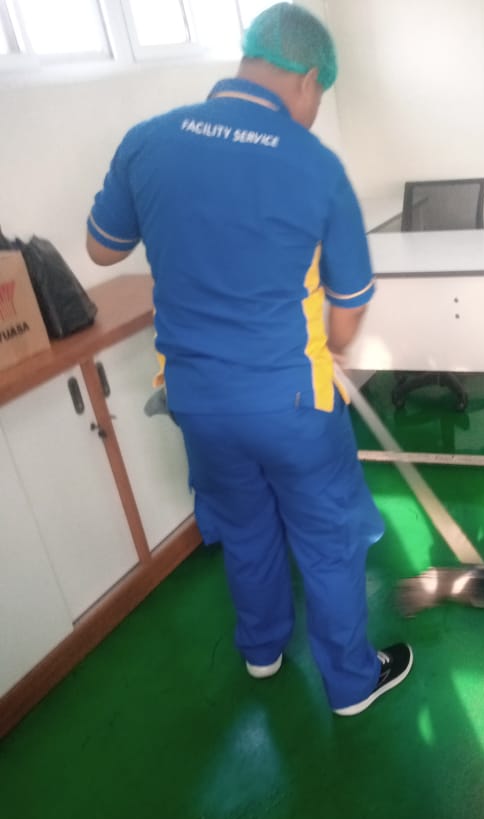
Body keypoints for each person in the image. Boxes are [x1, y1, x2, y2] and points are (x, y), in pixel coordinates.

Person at [86, 3, 412, 716]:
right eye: (320, 96)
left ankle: (262, 651)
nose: (314, 112)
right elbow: (348, 312)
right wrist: (334, 346)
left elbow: (101, 249)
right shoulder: (316, 167)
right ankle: (351, 683)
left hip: (196, 398)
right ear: (308, 78)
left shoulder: (147, 141)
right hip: (292, 402)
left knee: (245, 527)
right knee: (326, 538)